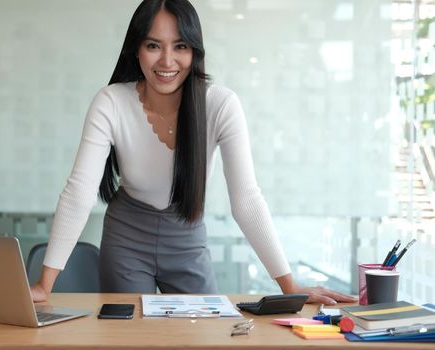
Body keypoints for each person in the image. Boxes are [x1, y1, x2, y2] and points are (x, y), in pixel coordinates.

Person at [30, 0, 357, 305]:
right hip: (126, 235)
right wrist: (44, 285)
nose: (167, 61)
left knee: (203, 333)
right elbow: (80, 190)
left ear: (195, 51)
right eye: (153, 45)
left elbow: (246, 199)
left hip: (187, 235)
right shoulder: (111, 102)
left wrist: (291, 288)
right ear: (137, 50)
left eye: (180, 46)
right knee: (126, 336)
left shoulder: (220, 105)